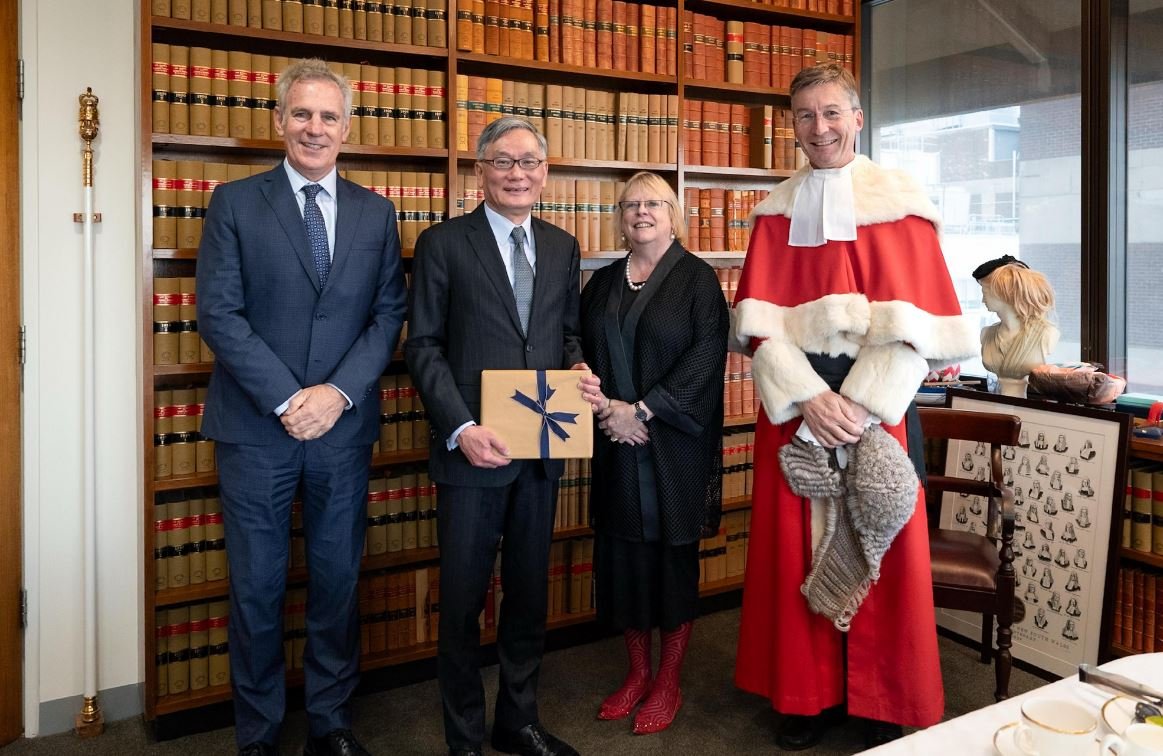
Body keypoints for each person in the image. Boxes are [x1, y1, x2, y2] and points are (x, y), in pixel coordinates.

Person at [730, 63, 979, 750]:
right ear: (792, 126)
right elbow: (759, 327)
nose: (820, 128)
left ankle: (878, 696)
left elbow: (918, 327)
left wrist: (859, 406)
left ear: (857, 118)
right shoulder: (774, 212)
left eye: (832, 112)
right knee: (793, 556)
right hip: (796, 407)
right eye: (806, 116)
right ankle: (805, 696)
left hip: (880, 404)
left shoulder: (899, 203)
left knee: (882, 547)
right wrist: (808, 397)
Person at [196, 58, 407, 756]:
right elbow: (218, 314)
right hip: (257, 428)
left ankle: (329, 721)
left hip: (342, 431)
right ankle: (257, 733)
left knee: (337, 581)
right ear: (279, 121)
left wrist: (336, 394)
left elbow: (386, 316)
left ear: (347, 128)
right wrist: (291, 399)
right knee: (255, 589)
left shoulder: (378, 213)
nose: (314, 127)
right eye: (302, 114)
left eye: (328, 116)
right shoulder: (233, 202)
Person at [406, 116, 585, 756]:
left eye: (530, 162)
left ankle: (518, 719)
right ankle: (464, 738)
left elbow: (565, 337)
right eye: (504, 162)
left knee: (529, 597)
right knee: (460, 602)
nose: (518, 174)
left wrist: (579, 369)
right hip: (471, 452)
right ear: (480, 170)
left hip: (541, 450)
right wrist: (461, 427)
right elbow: (422, 346)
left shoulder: (564, 247)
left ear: (545, 171)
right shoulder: (443, 243)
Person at [576, 172, 729, 734]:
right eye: (631, 204)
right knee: (624, 560)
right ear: (620, 216)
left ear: (673, 213)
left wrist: (641, 411)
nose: (641, 212)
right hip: (615, 443)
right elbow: (581, 350)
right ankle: (637, 673)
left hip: (672, 445)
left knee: (671, 562)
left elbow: (706, 356)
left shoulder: (697, 280)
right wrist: (605, 410)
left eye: (653, 204)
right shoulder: (603, 281)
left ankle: (668, 681)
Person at [974, 255, 1059, 398]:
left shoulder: (1045, 334)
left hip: (1023, 409)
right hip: (996, 407)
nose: (983, 300)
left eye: (985, 293)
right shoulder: (987, 334)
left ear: (1003, 294)